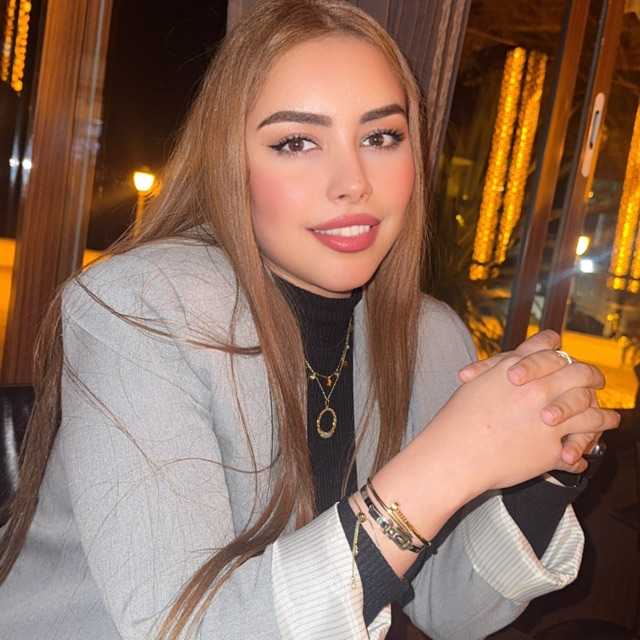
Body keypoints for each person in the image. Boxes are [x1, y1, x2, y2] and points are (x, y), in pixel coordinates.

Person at [0, 1, 619, 638]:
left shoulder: (431, 337)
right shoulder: (142, 309)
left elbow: (449, 610)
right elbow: (189, 629)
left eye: (381, 137)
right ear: (229, 163)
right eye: (296, 142)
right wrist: (449, 461)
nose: (353, 182)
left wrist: (548, 456)